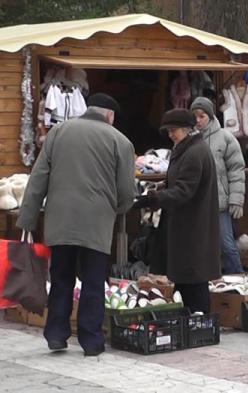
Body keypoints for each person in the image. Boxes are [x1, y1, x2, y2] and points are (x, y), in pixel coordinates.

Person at [17, 93, 136, 356]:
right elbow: (127, 191)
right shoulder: (121, 142)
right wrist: (116, 209)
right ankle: (91, 341)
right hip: (97, 222)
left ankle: (56, 335)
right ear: (110, 116)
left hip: (61, 220)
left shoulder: (58, 132)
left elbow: (38, 178)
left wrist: (27, 218)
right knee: (93, 282)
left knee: (61, 278)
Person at [133, 109, 221, 314]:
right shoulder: (187, 149)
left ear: (187, 129)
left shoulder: (194, 152)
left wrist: (153, 199)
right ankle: (189, 320)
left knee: (194, 278)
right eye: (169, 131)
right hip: (188, 223)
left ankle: (199, 322)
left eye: (174, 130)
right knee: (185, 277)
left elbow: (184, 190)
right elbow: (179, 182)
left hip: (193, 225)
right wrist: (161, 188)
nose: (171, 135)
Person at [190, 97, 245, 274]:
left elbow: (236, 169)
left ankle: (237, 282)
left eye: (202, 116)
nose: (198, 120)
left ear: (210, 116)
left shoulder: (225, 138)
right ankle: (206, 283)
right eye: (195, 116)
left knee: (227, 244)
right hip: (196, 202)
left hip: (220, 202)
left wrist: (236, 200)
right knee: (198, 245)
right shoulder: (188, 139)